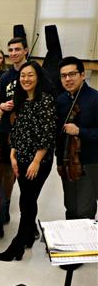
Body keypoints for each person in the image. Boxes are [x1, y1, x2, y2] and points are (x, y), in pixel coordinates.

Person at [0, 61, 56, 261]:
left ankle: (17, 246)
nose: (26, 79)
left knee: (27, 201)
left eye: (30, 75)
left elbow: (47, 134)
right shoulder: (21, 100)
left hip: (37, 161)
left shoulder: (45, 100)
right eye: (22, 76)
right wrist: (13, 154)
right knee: (27, 200)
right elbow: (18, 130)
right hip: (20, 157)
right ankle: (28, 236)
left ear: (38, 77)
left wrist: (37, 161)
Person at [55, 56, 98, 220]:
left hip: (90, 163)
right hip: (68, 162)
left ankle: (84, 245)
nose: (67, 79)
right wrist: (59, 162)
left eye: (72, 74)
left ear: (82, 74)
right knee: (71, 207)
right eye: (63, 75)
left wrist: (80, 131)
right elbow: (59, 137)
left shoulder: (95, 99)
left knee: (84, 210)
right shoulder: (61, 101)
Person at [0, 37, 28, 238]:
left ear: (25, 50)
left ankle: (26, 222)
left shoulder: (32, 74)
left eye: (17, 49)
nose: (14, 53)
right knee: (3, 174)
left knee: (19, 176)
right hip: (6, 130)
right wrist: (1, 106)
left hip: (24, 132)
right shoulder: (6, 76)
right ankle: (1, 213)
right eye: (11, 50)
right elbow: (0, 100)